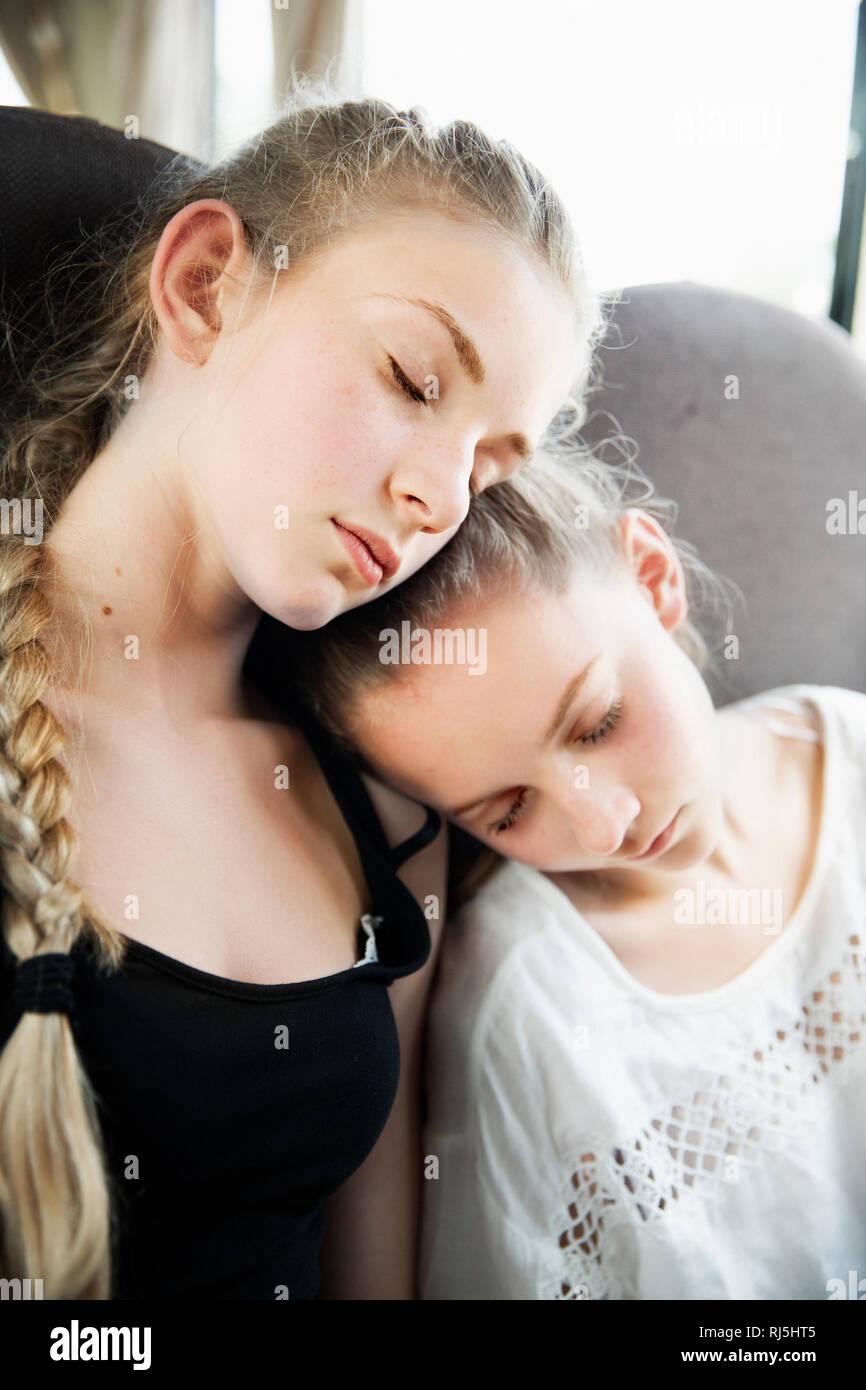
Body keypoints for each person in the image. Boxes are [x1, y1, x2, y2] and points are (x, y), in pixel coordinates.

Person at [0, 79, 604, 1300]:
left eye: (488, 472)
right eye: (414, 380)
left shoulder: (384, 809)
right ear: (205, 286)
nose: (440, 498)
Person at [284, 449, 866, 1300]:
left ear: (654, 580)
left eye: (599, 723)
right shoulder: (528, 1013)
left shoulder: (847, 750)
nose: (604, 826)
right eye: (508, 812)